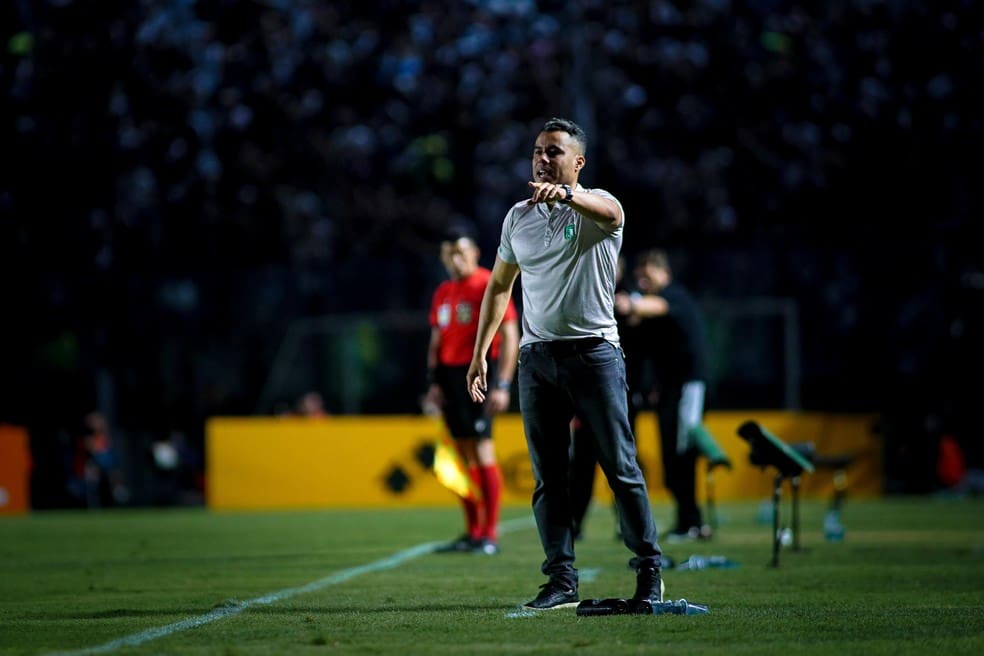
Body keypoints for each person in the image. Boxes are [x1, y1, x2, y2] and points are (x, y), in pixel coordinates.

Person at [466, 117, 663, 610]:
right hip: (537, 359)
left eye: (554, 151)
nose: (542, 158)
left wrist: (567, 197)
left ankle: (650, 572)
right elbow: (498, 287)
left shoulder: (601, 207)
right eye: (538, 150)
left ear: (578, 162)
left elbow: (614, 217)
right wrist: (480, 355)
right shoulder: (517, 218)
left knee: (620, 467)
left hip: (595, 354)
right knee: (548, 478)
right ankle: (560, 580)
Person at [425, 228, 520, 555]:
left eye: (461, 253)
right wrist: (434, 383)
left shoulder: (487, 284)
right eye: (449, 254)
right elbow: (437, 341)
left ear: (475, 253)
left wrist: (503, 384)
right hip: (449, 379)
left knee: (481, 450)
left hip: (480, 372)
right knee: (462, 454)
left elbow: (510, 335)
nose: (455, 260)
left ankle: (489, 534)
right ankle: (472, 531)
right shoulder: (443, 292)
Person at [614, 248, 713, 542]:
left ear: (664, 273)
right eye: (640, 276)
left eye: (649, 274)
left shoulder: (674, 296)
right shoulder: (653, 305)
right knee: (671, 455)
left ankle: (692, 521)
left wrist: (629, 302)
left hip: (690, 386)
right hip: (670, 389)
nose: (643, 280)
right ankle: (687, 521)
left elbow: (652, 307)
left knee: (682, 452)